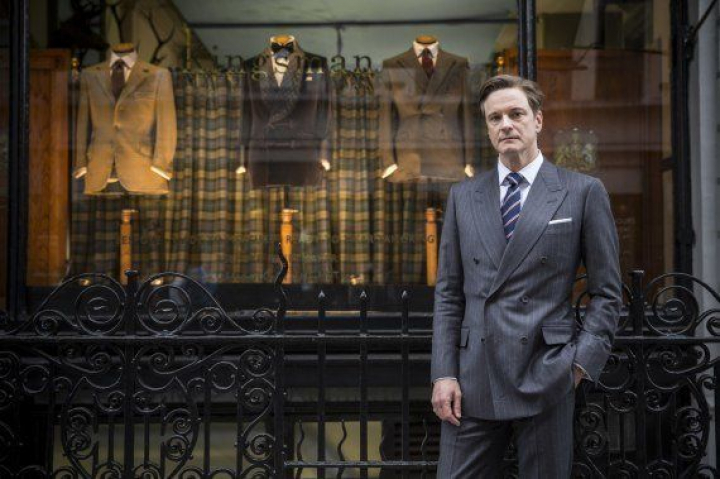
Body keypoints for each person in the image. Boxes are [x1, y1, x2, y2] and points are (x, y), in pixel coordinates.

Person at [430, 74, 621, 478]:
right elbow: (449, 294)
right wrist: (444, 373)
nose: (506, 125)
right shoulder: (464, 197)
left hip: (546, 372)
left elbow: (607, 292)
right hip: (473, 378)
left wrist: (578, 365)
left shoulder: (581, 192)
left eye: (515, 114)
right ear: (487, 128)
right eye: (495, 118)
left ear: (537, 120)